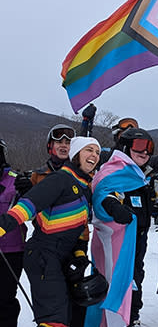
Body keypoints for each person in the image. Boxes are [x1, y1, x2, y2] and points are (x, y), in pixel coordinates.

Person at [0, 136, 101, 327]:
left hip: (64, 255)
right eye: (89, 150)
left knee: (69, 313)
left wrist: (79, 254)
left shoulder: (84, 188)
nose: (94, 155)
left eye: (97, 152)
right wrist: (3, 226)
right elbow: (29, 204)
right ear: (76, 154)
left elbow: (80, 226)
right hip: (43, 254)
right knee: (54, 317)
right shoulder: (60, 179)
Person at [103, 128, 158, 326]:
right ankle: (115, 318)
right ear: (126, 148)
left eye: (149, 148)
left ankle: (132, 316)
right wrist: (112, 204)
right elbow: (103, 193)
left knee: (136, 276)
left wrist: (157, 197)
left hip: (139, 237)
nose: (145, 152)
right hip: (118, 240)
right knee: (119, 278)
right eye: (140, 147)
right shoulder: (114, 171)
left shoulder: (143, 176)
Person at [0, 138, 26, 327]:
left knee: (5, 299)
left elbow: (30, 207)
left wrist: (27, 189)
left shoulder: (15, 180)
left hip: (10, 251)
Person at [13, 123, 76, 196]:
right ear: (50, 146)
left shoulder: (79, 174)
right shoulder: (38, 175)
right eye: (59, 142)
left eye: (68, 143)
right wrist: (28, 193)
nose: (63, 145)